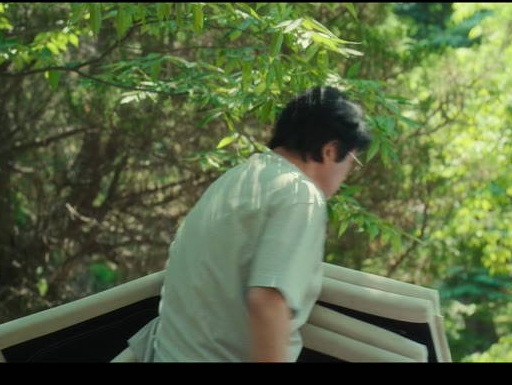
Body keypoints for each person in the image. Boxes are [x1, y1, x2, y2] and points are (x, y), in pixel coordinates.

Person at [123, 85, 372, 362]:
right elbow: (268, 302)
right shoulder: (300, 195)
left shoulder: (237, 178)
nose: (347, 175)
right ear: (330, 151)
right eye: (352, 162)